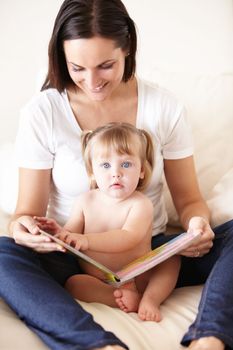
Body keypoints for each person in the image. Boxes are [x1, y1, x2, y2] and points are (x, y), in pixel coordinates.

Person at [0, 0, 232, 349]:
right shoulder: (43, 111)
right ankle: (98, 345)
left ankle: (209, 339)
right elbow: (25, 213)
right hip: (73, 256)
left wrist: (196, 225)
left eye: (105, 65)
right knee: (3, 255)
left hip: (149, 252)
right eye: (77, 67)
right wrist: (26, 229)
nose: (91, 82)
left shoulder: (163, 106)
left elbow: (188, 200)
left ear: (128, 50)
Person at [34, 122, 181, 322]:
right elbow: (71, 238)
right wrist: (58, 233)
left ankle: (150, 299)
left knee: (171, 261)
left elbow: (128, 237)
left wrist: (87, 241)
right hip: (100, 278)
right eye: (105, 165)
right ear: (92, 172)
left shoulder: (140, 204)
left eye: (126, 164)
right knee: (75, 283)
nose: (116, 172)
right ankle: (116, 298)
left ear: (142, 171)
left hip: (138, 274)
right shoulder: (85, 201)